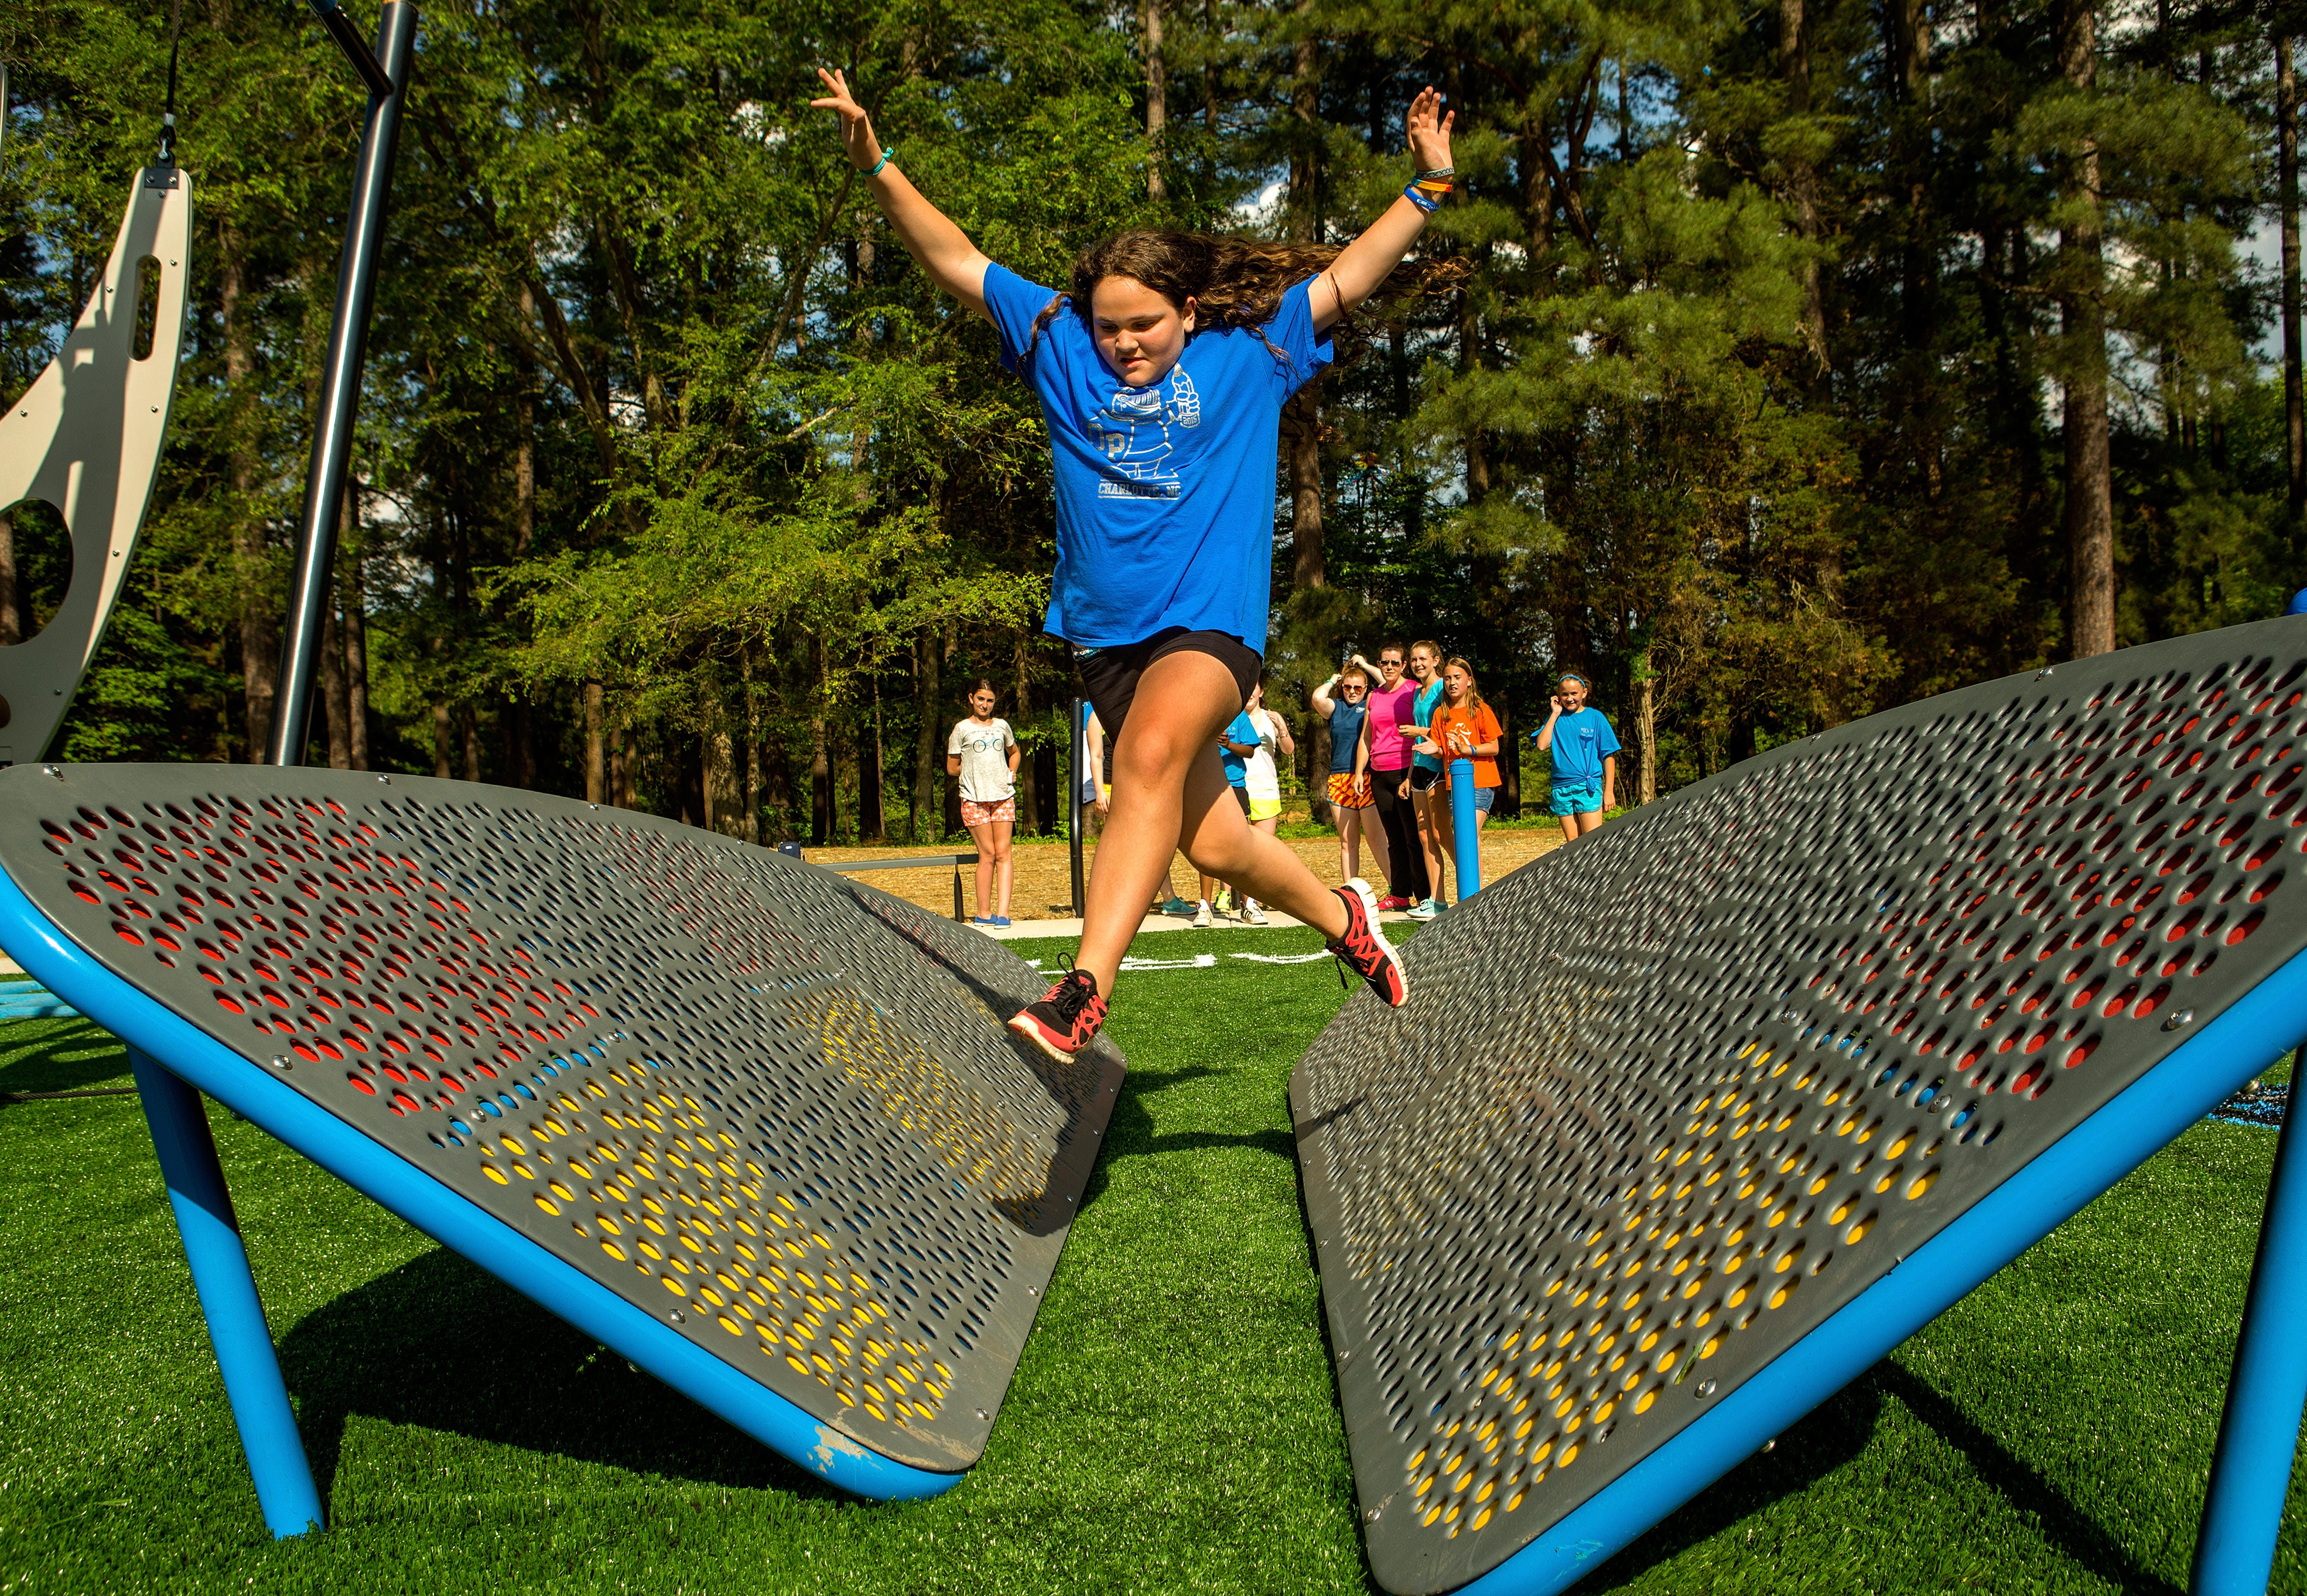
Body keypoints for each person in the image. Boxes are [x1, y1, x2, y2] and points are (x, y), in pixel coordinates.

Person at [813, 68, 1443, 1058]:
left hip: (1207, 627)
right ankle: (1344, 919)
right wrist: (877, 165)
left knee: (1144, 759)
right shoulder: (1057, 340)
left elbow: (1351, 273)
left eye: (1141, 324)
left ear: (1187, 310)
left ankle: (1081, 991)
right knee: (1214, 840)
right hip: (1105, 637)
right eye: (1107, 325)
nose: (1122, 343)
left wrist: (1427, 186)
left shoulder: (1250, 350)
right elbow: (957, 258)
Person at [1310, 655, 1389, 887]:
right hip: (1339, 778)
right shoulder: (1337, 708)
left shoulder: (1373, 703)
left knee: (1376, 839)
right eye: (1347, 687)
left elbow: (1387, 682)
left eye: (1357, 688)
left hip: (1367, 776)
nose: (1352, 692)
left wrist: (1364, 666)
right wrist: (1333, 679)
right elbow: (1317, 697)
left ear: (1366, 689)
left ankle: (1398, 890)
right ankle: (1351, 892)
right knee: (1347, 841)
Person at [946, 679, 1020, 926]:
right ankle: (984, 913)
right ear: (971, 699)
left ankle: (1004, 913)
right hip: (974, 799)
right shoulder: (962, 729)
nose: (985, 705)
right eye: (981, 699)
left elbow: (1015, 753)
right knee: (987, 854)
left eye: (990, 700)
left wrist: (1011, 772)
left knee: (1004, 853)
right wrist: (975, 773)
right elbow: (952, 767)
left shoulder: (1002, 726)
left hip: (1002, 796)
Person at [1360, 643, 1427, 910]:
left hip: (1406, 771)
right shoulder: (1374, 696)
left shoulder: (1413, 691)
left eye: (1395, 663)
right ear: (1379, 665)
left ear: (1403, 666)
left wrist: (1412, 775)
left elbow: (1425, 729)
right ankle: (1400, 893)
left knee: (1413, 836)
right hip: (1379, 774)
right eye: (1385, 663)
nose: (1390, 668)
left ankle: (1425, 895)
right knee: (1393, 838)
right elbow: (1367, 737)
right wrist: (1359, 773)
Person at [1422, 656, 1503, 862]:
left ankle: (1475, 892)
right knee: (1468, 839)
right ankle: (1475, 893)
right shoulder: (1441, 713)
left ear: (1469, 681)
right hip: (1454, 784)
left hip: (1481, 782)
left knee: (1466, 835)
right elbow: (1441, 750)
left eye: (1457, 677)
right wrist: (1434, 749)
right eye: (1448, 678)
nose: (1452, 683)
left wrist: (1467, 749)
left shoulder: (1481, 710)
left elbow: (1494, 747)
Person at [1194, 701, 1265, 926]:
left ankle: (1249, 904)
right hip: (1205, 785)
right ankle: (1205, 907)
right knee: (1206, 846)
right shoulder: (1198, 712)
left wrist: (1229, 744)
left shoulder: (1239, 715)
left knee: (1242, 844)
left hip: (1234, 786)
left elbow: (1251, 751)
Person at [1535, 671, 1620, 843]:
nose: (1569, 698)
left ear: (1584, 693)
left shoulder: (1596, 718)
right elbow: (1542, 745)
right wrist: (1555, 714)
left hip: (1588, 787)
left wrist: (1609, 791)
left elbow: (1609, 756)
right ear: (1558, 695)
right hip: (1562, 788)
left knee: (1592, 841)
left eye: (1574, 693)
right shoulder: (1556, 719)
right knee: (1573, 843)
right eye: (1564, 694)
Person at [1236, 679, 1294, 924]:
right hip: (1241, 788)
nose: (1250, 694)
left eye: (1254, 689)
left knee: (1264, 850)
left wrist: (1282, 727)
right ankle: (1249, 904)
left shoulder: (1272, 718)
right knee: (1244, 849)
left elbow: (1289, 750)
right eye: (1246, 690)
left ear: (1261, 692)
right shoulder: (1234, 716)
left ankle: (1257, 899)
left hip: (1267, 789)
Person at [1401, 639, 1450, 921]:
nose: (1419, 664)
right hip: (1419, 768)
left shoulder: (1444, 687)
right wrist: (1408, 776)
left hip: (1438, 769)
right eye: (1415, 659)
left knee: (1441, 834)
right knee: (1424, 837)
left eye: (1423, 659)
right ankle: (1437, 901)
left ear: (1435, 660)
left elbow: (1447, 727)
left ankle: (1473, 884)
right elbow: (1417, 740)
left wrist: (1418, 729)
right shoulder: (1419, 692)